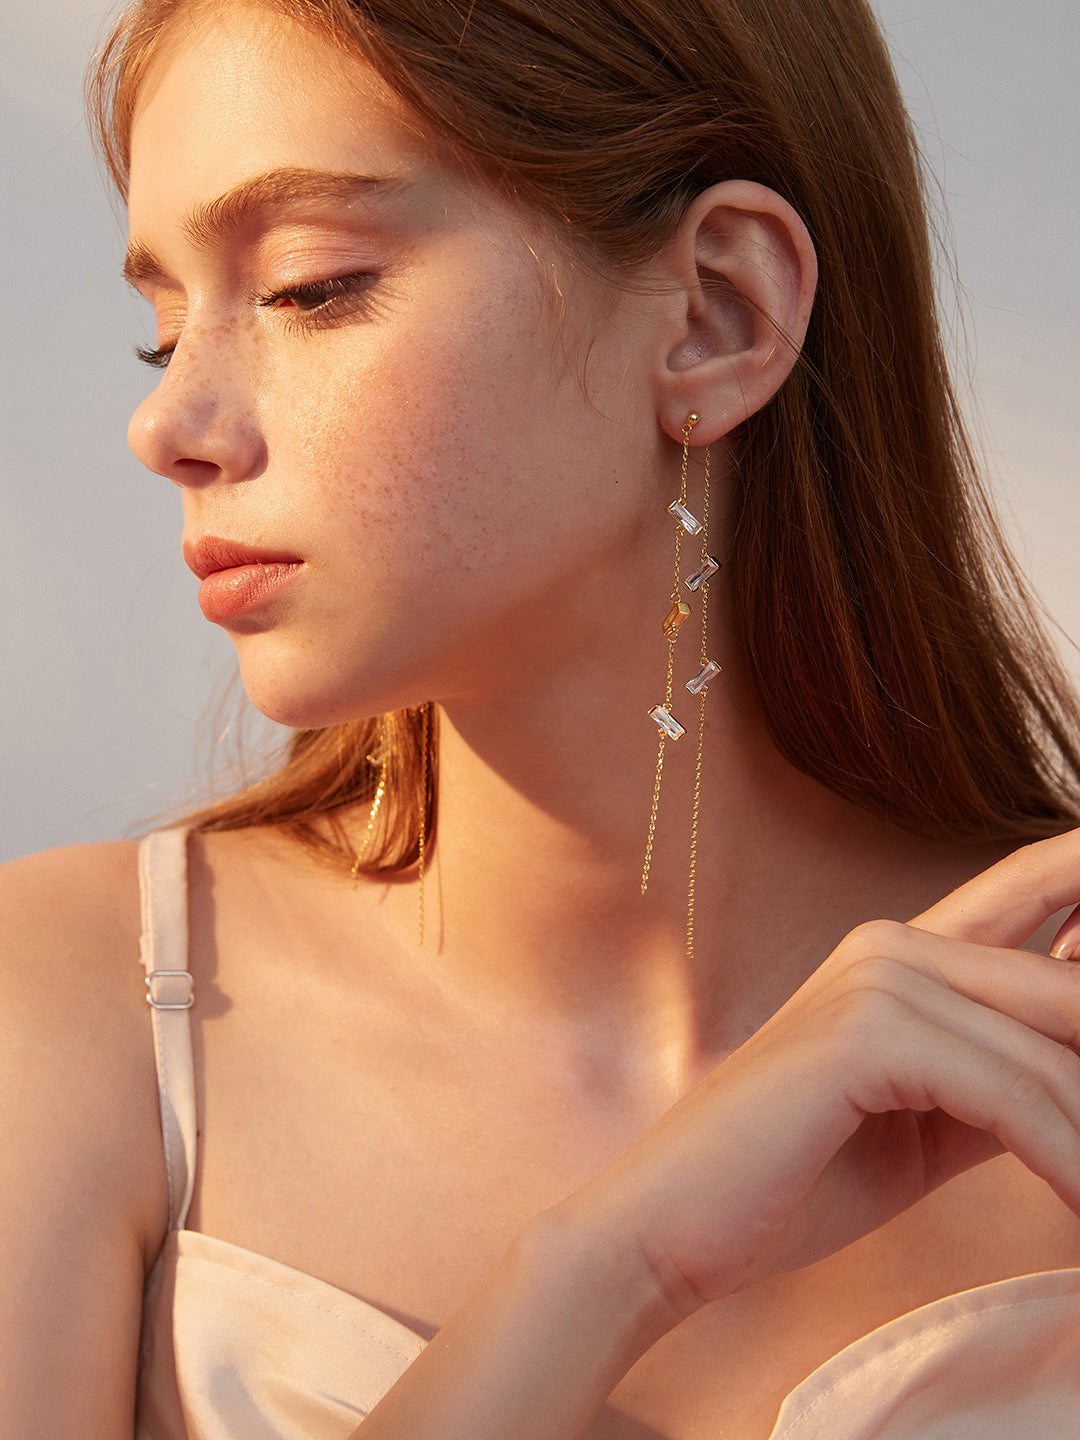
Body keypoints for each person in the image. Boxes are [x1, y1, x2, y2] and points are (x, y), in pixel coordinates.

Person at [3, 0, 1080, 1435]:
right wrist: (611, 1261)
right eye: (162, 326)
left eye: (310, 286)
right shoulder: (69, 1022)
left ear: (718, 313)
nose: (170, 421)